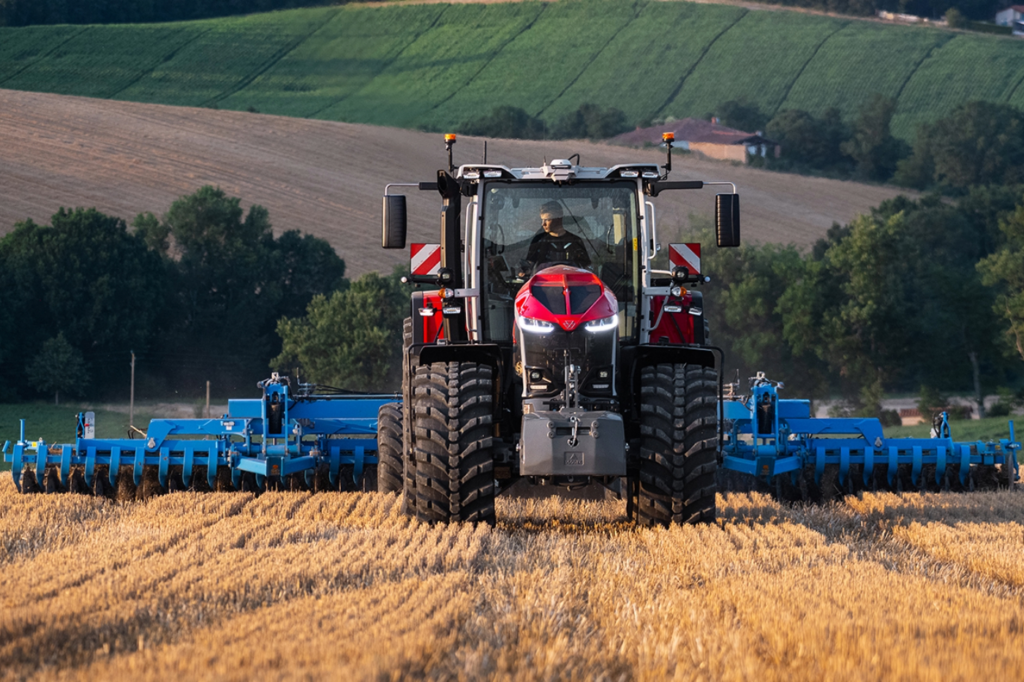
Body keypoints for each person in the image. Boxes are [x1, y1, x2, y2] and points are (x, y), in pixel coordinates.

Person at [518, 201, 591, 277]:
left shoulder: (575, 241)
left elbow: (586, 268)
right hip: (543, 286)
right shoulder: (538, 241)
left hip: (573, 285)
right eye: (542, 220)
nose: (543, 224)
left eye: (547, 219)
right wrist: (524, 271)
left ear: (558, 218)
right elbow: (529, 265)